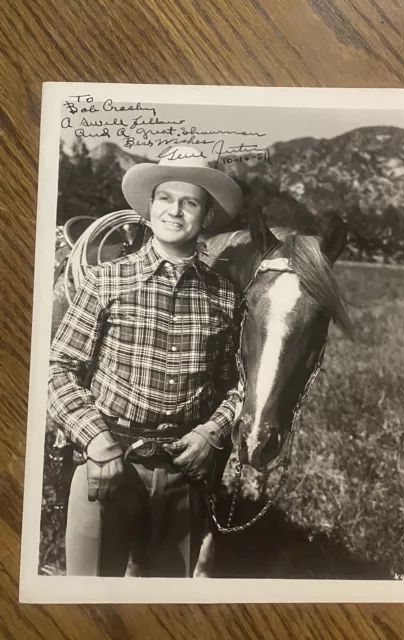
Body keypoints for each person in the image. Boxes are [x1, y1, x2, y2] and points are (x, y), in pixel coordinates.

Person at [47, 146, 244, 577]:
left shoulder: (225, 296)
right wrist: (96, 440)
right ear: (150, 207)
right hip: (106, 465)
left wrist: (213, 432)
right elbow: (58, 369)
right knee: (88, 606)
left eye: (190, 202)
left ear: (206, 217)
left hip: (183, 474)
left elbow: (237, 384)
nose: (175, 211)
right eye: (165, 198)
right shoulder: (106, 280)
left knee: (164, 610)